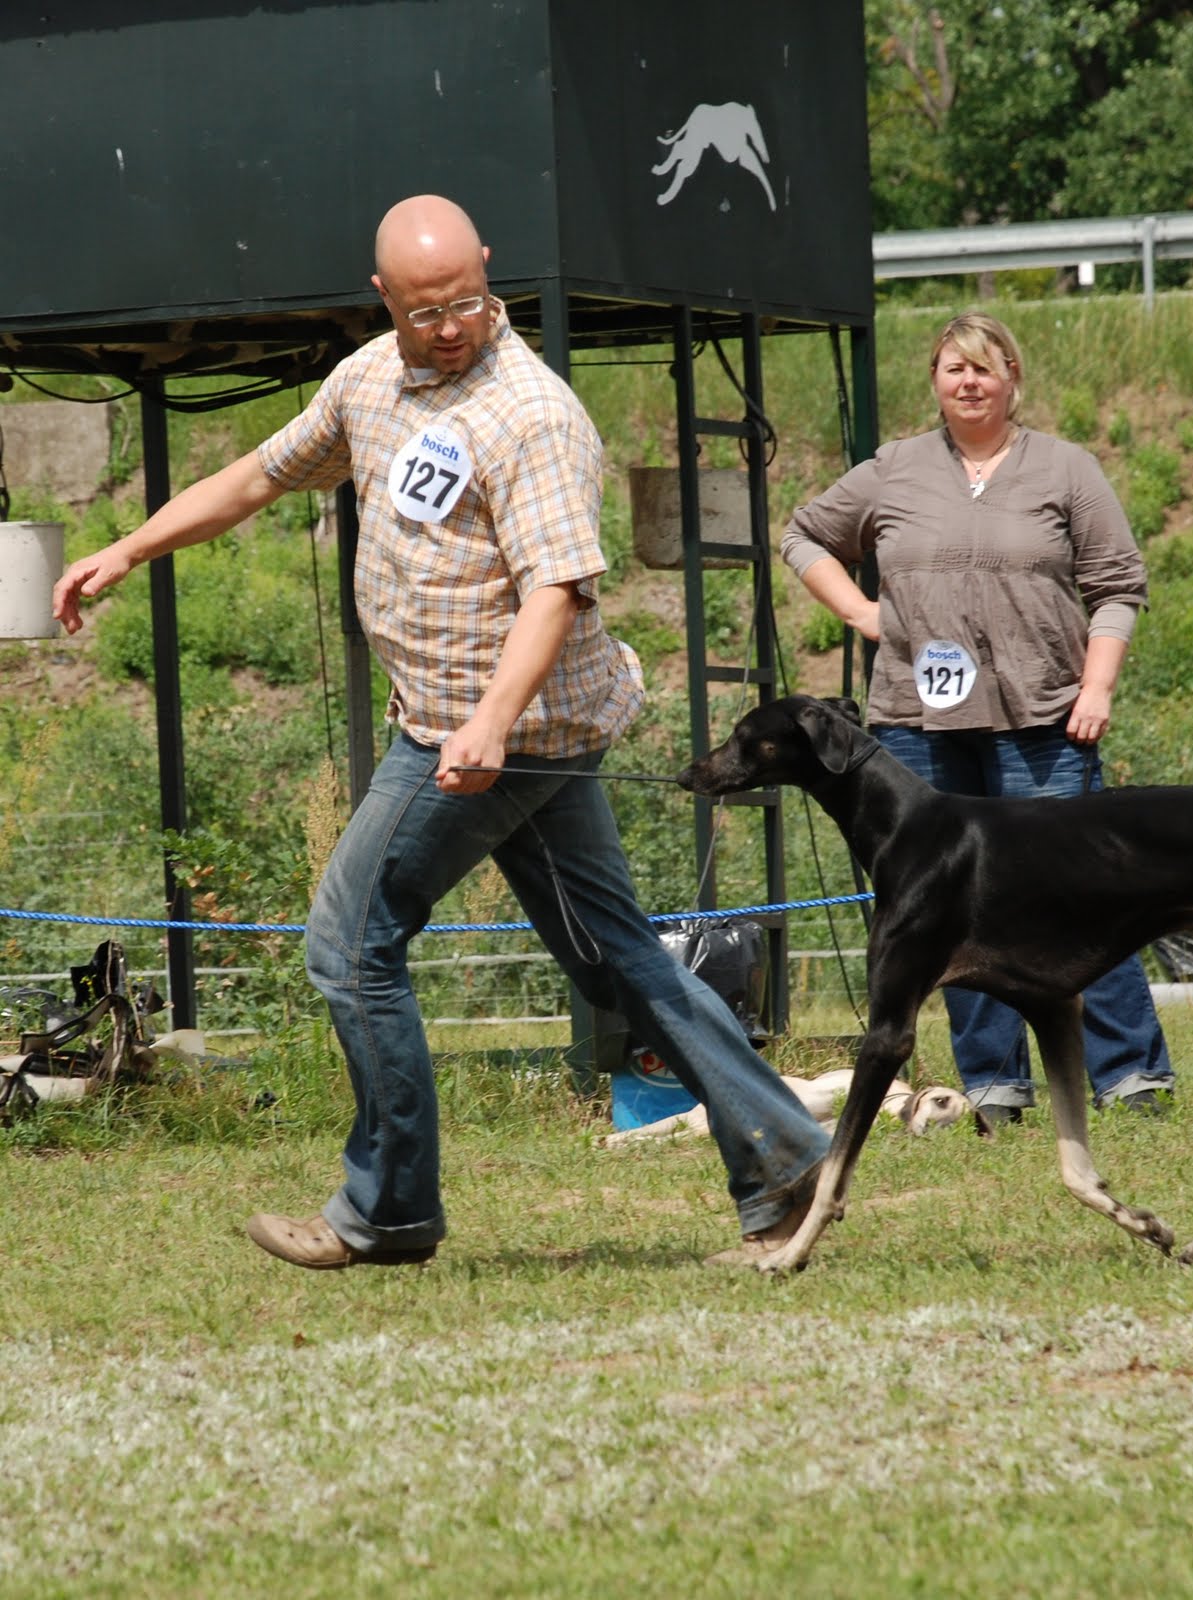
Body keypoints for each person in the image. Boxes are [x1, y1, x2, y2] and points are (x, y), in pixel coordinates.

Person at [52, 194, 830, 1269]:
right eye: (425, 310)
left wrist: (488, 727)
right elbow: (258, 475)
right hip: (477, 729)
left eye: (465, 301)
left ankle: (387, 1208)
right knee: (618, 962)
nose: (451, 325)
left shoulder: (532, 413)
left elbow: (556, 591)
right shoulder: (369, 378)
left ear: (488, 274)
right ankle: (789, 1156)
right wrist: (131, 548)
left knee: (348, 940)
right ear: (385, 298)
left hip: (500, 734)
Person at [781, 311, 1176, 1120]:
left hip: (1043, 719)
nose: (968, 382)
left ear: (1011, 379)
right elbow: (804, 534)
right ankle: (995, 1085)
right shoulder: (892, 469)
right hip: (917, 729)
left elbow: (1117, 586)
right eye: (953, 368)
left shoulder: (1065, 469)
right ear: (934, 380)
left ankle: (1131, 1076)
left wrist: (1095, 686)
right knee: (941, 907)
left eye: (984, 368)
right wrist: (859, 612)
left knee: (1084, 892)